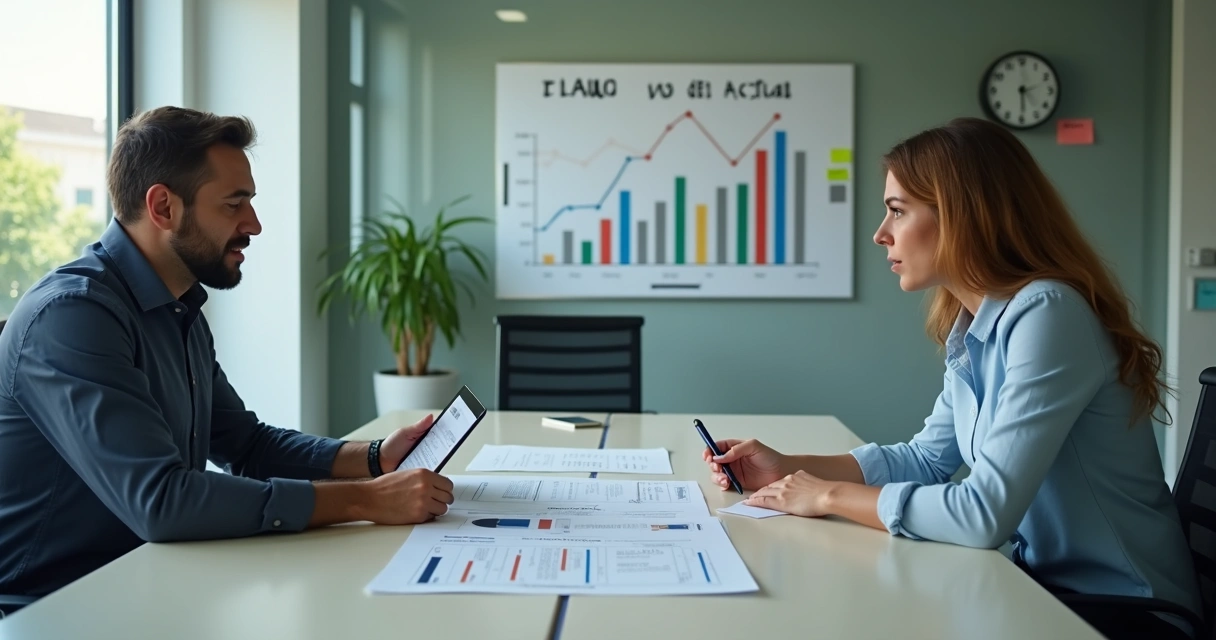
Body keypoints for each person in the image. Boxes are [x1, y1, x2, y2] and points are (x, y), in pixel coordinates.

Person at [704, 117, 1201, 639]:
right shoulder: (975, 322)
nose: (881, 233)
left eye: (898, 211)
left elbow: (983, 515)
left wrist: (826, 496)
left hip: (1127, 616)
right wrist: (785, 470)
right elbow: (925, 459)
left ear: (964, 215)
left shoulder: (1049, 314)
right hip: (1046, 594)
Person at [0, 106, 454, 608]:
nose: (254, 225)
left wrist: (372, 458)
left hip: (152, 583)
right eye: (234, 205)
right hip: (53, 608)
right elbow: (163, 501)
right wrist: (365, 500)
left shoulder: (178, 306)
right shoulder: (72, 317)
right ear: (163, 207)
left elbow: (246, 444)